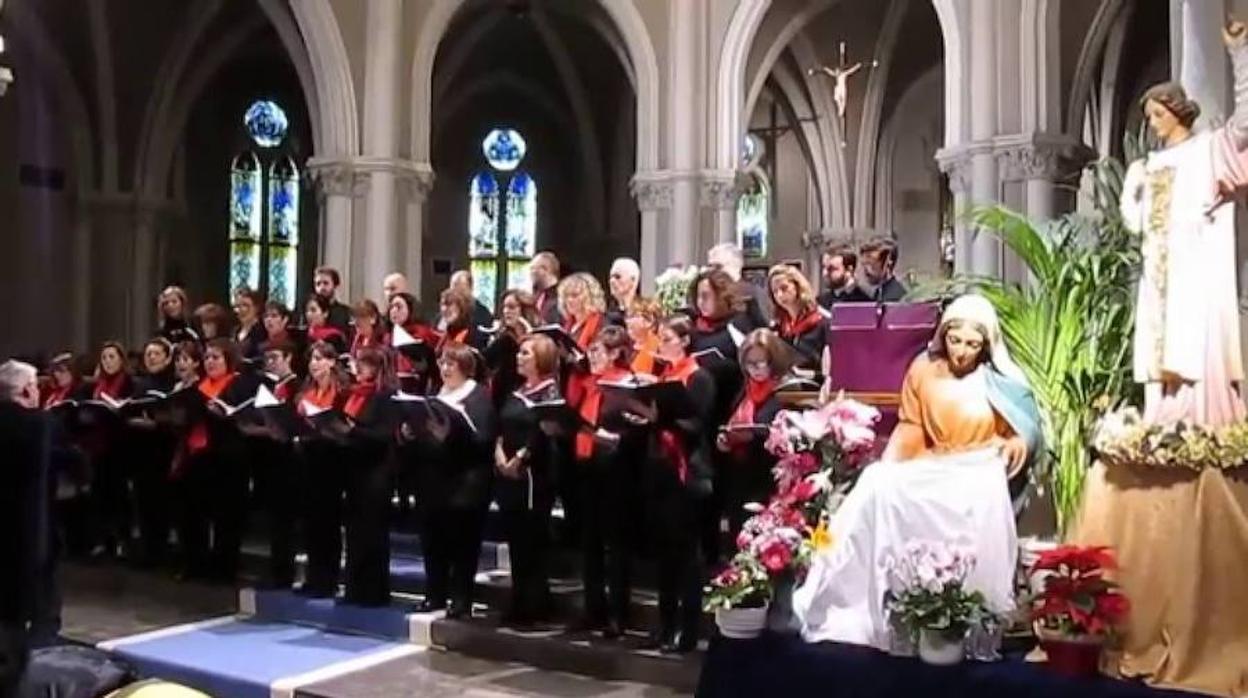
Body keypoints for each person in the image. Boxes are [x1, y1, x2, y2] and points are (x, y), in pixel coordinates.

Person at [793, 294, 1041, 650]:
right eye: (955, 341)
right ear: (943, 335)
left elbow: (1023, 426)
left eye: (972, 344)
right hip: (935, 464)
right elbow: (911, 427)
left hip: (978, 471)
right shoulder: (924, 368)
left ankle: (963, 613)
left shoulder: (1001, 380)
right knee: (877, 484)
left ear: (987, 345)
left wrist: (1018, 442)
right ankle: (868, 597)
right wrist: (892, 463)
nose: (962, 352)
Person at [402, 343, 497, 618]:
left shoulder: (478, 397)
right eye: (442, 363)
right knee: (433, 542)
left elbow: (483, 441)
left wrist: (451, 435)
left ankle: (461, 599)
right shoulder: (435, 394)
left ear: (465, 369)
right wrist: (412, 433)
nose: (444, 369)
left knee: (463, 545)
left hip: (465, 483)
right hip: (433, 481)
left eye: (450, 364)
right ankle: (435, 594)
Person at [643, 316, 716, 653]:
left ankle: (686, 630)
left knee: (687, 556)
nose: (662, 344)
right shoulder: (663, 377)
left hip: (688, 472)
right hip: (659, 471)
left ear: (685, 341)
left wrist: (666, 418)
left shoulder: (698, 377)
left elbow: (698, 425)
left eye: (668, 338)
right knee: (663, 555)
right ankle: (665, 623)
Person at [571, 326, 641, 638]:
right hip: (587, 470)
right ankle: (592, 609)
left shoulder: (629, 386)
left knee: (617, 546)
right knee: (590, 544)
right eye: (590, 352)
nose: (591, 357)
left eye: (597, 352)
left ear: (615, 353)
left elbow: (638, 432)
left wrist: (612, 438)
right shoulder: (590, 384)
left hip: (618, 473)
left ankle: (618, 613)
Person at [494, 334, 562, 628]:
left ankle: (535, 604)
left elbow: (540, 434)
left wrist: (520, 458)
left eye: (525, 354)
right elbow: (501, 426)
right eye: (519, 353)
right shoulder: (516, 390)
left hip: (535, 475)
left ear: (541, 359)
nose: (519, 358)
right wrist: (499, 455)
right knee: (516, 541)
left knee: (532, 541)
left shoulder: (549, 393)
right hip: (507, 473)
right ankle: (519, 600)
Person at [175, 338, 252, 582]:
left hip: (227, 457)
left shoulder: (238, 384)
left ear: (228, 360)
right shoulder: (197, 387)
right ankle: (194, 564)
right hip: (197, 455)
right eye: (207, 357)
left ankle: (224, 568)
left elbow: (245, 416)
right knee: (193, 513)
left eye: (216, 357)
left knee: (226, 516)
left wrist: (222, 413)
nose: (210, 362)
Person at [0, 360, 55, 695]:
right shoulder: (37, 427)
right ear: (25, 391)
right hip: (19, 542)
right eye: (35, 384)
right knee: (12, 641)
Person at [716, 329, 790, 539]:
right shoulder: (744, 389)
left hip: (767, 478)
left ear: (774, 361)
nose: (755, 369)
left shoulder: (786, 391)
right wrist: (725, 440)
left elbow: (780, 431)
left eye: (761, 362)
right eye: (750, 363)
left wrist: (753, 436)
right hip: (740, 476)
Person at [341, 347, 398, 606]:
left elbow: (384, 435)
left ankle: (374, 591)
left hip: (377, 471)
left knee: (373, 532)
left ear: (376, 368)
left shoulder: (386, 396)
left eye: (363, 364)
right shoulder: (355, 393)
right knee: (354, 531)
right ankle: (354, 588)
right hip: (354, 468)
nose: (358, 368)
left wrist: (353, 430)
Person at [293, 341, 351, 596]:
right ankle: (314, 577)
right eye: (312, 359)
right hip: (308, 458)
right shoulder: (306, 391)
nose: (314, 364)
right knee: (312, 521)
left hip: (333, 460)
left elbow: (345, 427)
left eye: (320, 358)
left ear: (332, 362)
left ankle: (328, 579)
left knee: (328, 522)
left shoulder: (342, 392)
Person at [128, 338, 178, 568]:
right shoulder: (140, 383)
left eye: (157, 354)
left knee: (162, 503)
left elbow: (175, 417)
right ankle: (148, 550)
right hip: (141, 449)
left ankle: (161, 551)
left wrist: (156, 422)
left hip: (165, 448)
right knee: (144, 501)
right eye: (148, 354)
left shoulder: (173, 384)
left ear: (168, 358)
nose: (151, 358)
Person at [86, 341, 136, 559]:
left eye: (112, 357)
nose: (108, 361)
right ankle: (103, 540)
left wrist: (119, 409)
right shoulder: (97, 384)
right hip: (99, 444)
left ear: (121, 360)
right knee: (100, 495)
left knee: (119, 496)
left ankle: (122, 541)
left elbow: (133, 407)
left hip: (121, 445)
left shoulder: (129, 383)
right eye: (105, 357)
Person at [768, 264, 826, 372]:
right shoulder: (778, 326)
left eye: (784, 288)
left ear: (798, 287)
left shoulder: (821, 322)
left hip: (813, 384)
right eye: (775, 292)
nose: (780, 295)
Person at [707, 242, 769, 329]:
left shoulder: (751, 293)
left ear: (735, 266)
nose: (712, 271)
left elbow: (764, 327)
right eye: (710, 266)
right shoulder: (708, 291)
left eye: (718, 266)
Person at [817, 243, 870, 307]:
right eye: (823, 267)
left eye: (831, 269)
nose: (825, 273)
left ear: (849, 270)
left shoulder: (865, 303)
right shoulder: (820, 302)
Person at [438, 287, 488, 352]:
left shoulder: (476, 338)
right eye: (442, 304)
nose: (443, 309)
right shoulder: (444, 336)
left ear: (463, 307)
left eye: (449, 304)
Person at [859, 236, 907, 302]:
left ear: (888, 262)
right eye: (864, 263)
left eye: (870, 262)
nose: (866, 269)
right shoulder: (879, 293)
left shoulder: (896, 297)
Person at [623, 297, 663, 375]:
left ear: (649, 320)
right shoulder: (626, 346)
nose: (627, 321)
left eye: (632, 316)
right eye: (627, 316)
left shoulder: (659, 347)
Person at [313, 266, 353, 335]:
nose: (321, 288)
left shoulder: (346, 313)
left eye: (326, 283)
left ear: (335, 285)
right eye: (318, 284)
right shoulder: (309, 312)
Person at [232, 289, 268, 365]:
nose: (241, 310)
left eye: (245, 305)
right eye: (237, 306)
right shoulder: (235, 331)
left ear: (256, 308)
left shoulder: (263, 331)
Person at [606, 257, 641, 327]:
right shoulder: (606, 316)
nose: (612, 281)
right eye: (610, 277)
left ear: (632, 280)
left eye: (617, 277)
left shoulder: (642, 315)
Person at [530, 251, 563, 325]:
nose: (531, 273)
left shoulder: (564, 295)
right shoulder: (535, 297)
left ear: (545, 269)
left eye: (533, 268)